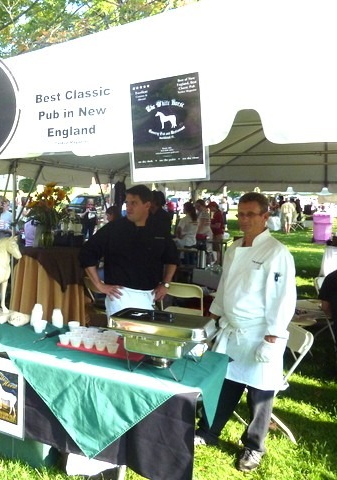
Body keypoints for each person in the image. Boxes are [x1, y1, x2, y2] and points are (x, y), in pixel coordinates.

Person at [194, 192, 296, 473]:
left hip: (260, 332)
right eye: (240, 214)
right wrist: (213, 318)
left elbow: (283, 299)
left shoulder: (276, 252)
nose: (244, 219)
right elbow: (225, 287)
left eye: (251, 214)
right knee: (225, 383)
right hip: (232, 330)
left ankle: (254, 446)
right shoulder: (234, 248)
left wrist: (272, 338)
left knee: (260, 393)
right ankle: (208, 431)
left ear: (265, 216)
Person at [79, 184, 179, 317]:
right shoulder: (114, 229)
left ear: (147, 205)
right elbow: (87, 253)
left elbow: (172, 258)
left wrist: (165, 284)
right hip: (119, 296)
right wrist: (99, 285)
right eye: (127, 203)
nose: (129, 207)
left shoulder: (159, 229)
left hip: (150, 295)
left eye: (134, 203)